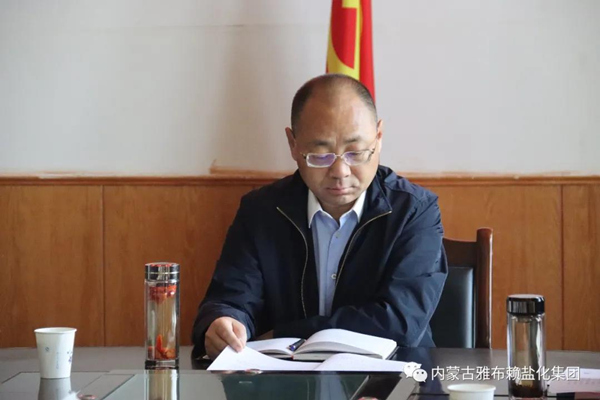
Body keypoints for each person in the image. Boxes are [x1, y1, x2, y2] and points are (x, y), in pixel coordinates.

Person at [192, 73, 448, 359]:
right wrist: (223, 321)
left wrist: (285, 334)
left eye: (356, 152)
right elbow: (231, 297)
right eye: (320, 155)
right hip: (284, 380)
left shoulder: (414, 211)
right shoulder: (261, 211)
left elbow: (401, 322)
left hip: (393, 377)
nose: (340, 172)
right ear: (293, 144)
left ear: (378, 138)